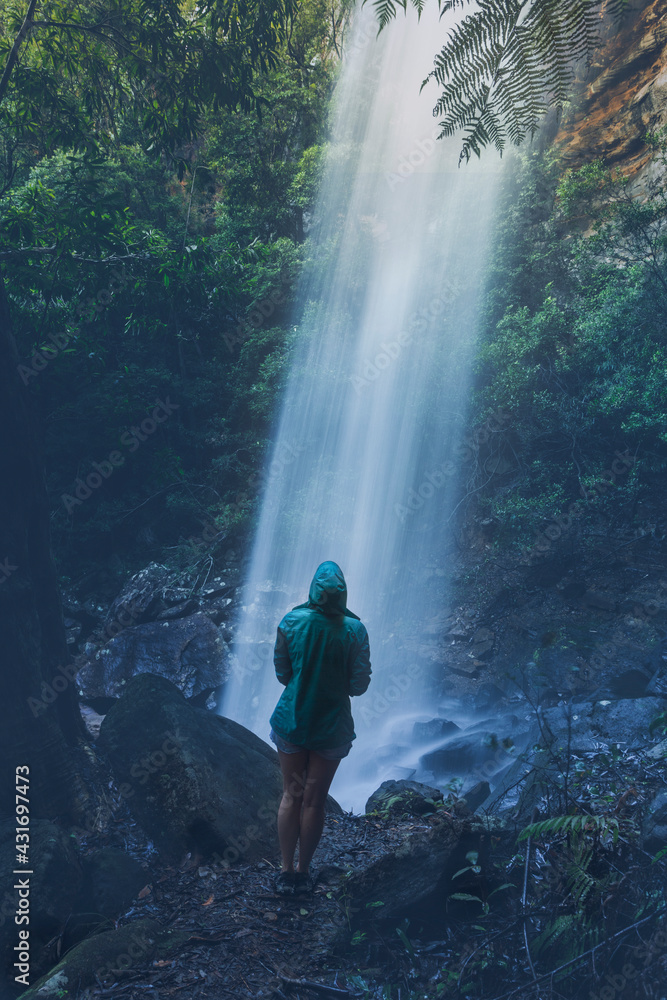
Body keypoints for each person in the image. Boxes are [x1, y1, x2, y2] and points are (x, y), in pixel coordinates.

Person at [269, 560, 371, 895]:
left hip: (292, 721)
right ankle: (303, 871)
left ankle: (284, 872)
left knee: (290, 795)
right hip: (331, 727)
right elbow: (358, 685)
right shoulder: (355, 631)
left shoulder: (291, 622)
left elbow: (283, 674)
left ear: (313, 590)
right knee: (314, 801)